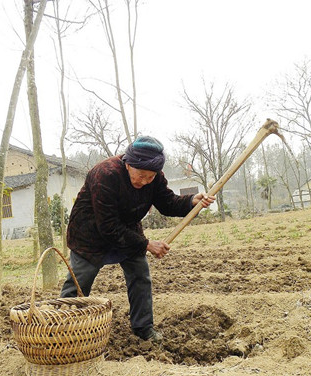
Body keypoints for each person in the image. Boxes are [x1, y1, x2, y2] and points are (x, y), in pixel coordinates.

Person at [60, 135, 215, 343]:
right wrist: (147, 244)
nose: (144, 182)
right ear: (128, 164)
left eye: (150, 177)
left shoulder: (155, 177)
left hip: (128, 232)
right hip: (90, 234)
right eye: (140, 175)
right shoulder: (104, 174)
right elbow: (108, 226)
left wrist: (190, 202)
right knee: (78, 283)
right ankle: (60, 329)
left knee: (140, 277)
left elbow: (167, 203)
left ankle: (143, 329)